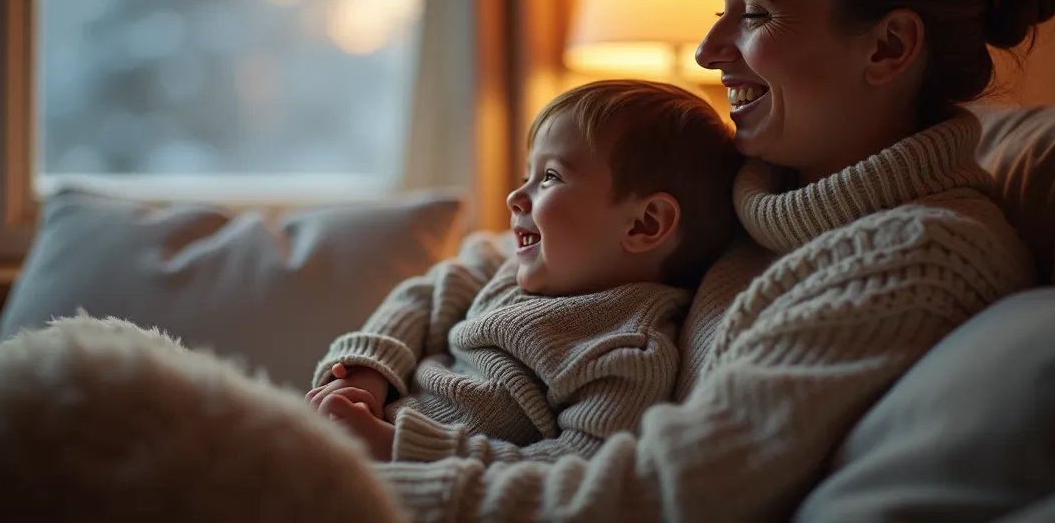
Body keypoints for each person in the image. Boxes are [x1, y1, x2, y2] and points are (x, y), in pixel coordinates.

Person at [344, 0, 1055, 521]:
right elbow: (495, 261)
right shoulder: (760, 191)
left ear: (888, 47)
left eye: (753, 13)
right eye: (725, 8)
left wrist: (369, 465)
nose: (707, 51)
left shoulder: (920, 256)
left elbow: (659, 494)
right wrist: (363, 376)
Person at [306, 79, 743, 463]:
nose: (517, 195)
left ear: (644, 224)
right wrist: (366, 376)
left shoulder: (626, 350)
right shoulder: (501, 263)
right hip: (358, 423)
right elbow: (418, 300)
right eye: (526, 175)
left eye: (549, 177)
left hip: (404, 473)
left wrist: (398, 446)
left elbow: (575, 463)